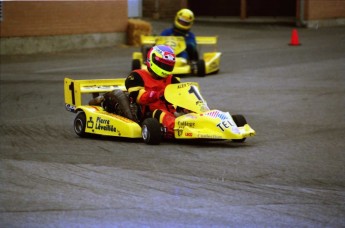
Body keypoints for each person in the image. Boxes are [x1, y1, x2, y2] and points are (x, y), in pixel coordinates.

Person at [125, 45, 180, 138]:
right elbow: (138, 97)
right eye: (164, 65)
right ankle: (179, 127)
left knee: (191, 112)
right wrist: (158, 95)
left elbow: (181, 94)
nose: (166, 68)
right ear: (153, 60)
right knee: (161, 113)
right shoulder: (137, 76)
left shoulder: (171, 79)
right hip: (149, 113)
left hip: (171, 110)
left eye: (168, 66)